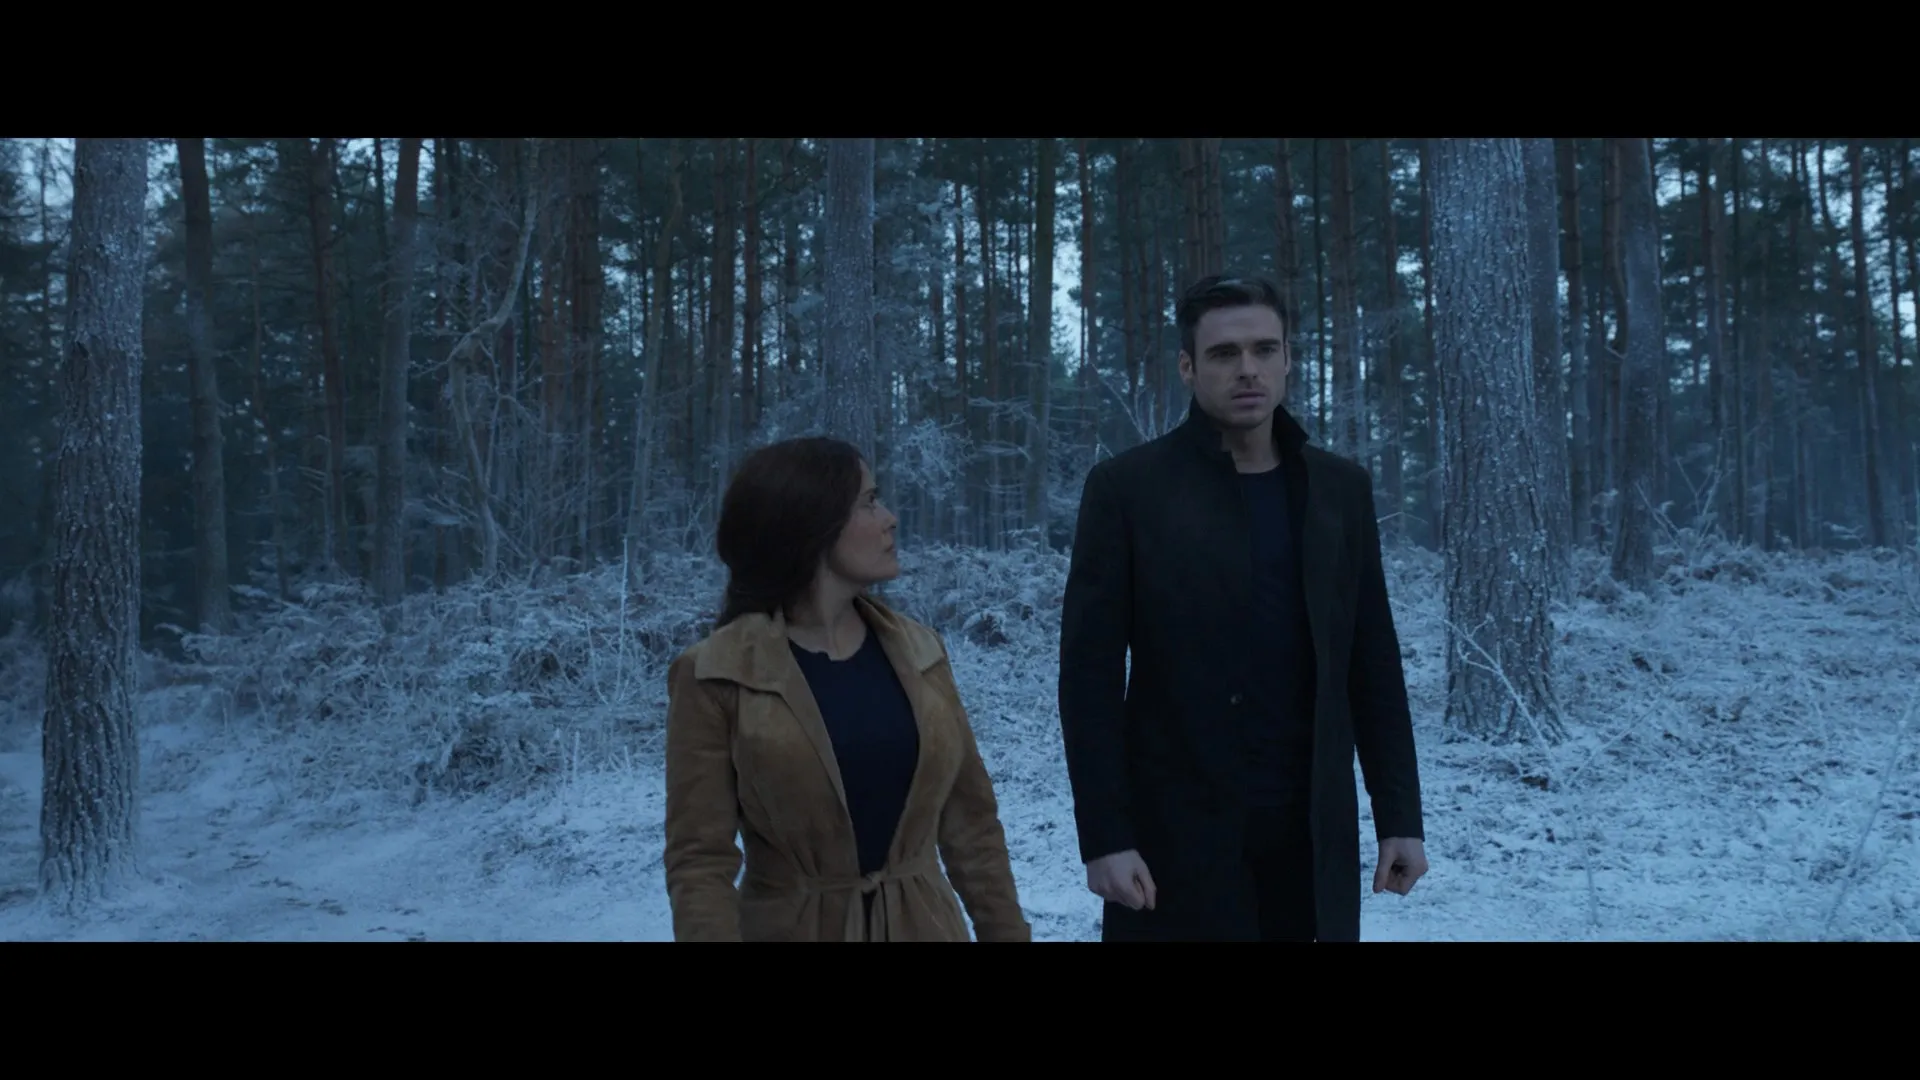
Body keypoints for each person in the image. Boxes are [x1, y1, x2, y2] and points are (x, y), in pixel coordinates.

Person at [1057, 274, 1428, 942]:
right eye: (1225, 353)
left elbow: (1372, 660)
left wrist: (1399, 816)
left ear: (1288, 359)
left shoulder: (1338, 489)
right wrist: (1106, 837)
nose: (1248, 369)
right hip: (1176, 840)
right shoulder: (1128, 491)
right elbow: (1089, 678)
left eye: (1264, 349)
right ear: (1188, 367)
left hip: (1308, 836)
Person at [662, 436, 1031, 942]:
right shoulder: (718, 673)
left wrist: (1006, 933)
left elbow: (972, 826)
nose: (890, 519)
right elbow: (700, 860)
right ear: (812, 523)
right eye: (869, 501)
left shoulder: (921, 652)